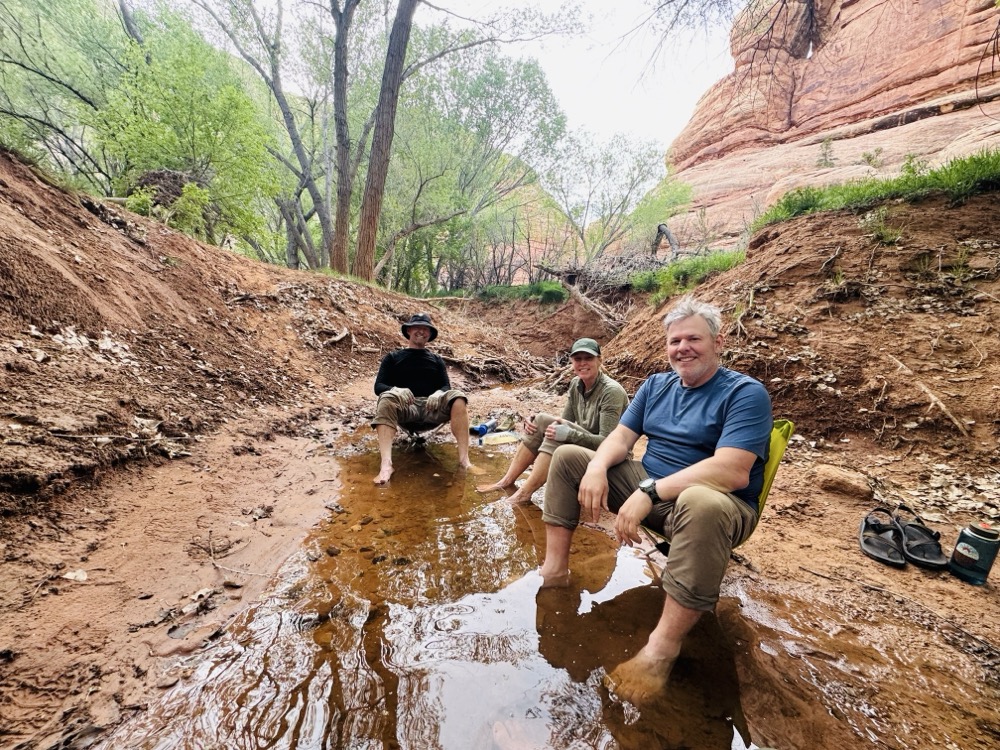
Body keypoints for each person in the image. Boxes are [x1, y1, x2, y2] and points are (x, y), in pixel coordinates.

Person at [537, 295, 773, 704]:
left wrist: (649, 491)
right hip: (652, 483)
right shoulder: (655, 385)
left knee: (704, 502)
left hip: (714, 502)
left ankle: (662, 648)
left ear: (718, 342)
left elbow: (732, 471)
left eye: (693, 339)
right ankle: (554, 573)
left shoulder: (745, 393)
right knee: (571, 457)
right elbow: (621, 439)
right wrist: (596, 468)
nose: (683, 348)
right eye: (675, 341)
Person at [475, 338, 629, 504]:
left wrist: (568, 434)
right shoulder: (576, 384)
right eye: (578, 359)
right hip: (588, 450)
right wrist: (535, 423)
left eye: (588, 358)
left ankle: (523, 494)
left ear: (599, 360)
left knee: (556, 432)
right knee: (541, 421)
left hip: (611, 460)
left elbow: (606, 443)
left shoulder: (611, 391)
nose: (583, 363)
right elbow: (562, 422)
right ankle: (506, 482)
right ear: (571, 362)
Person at [371, 312, 474, 484]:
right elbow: (378, 387)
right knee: (386, 397)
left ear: (430, 334)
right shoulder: (392, 358)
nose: (421, 331)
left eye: (425, 329)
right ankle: (386, 465)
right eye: (417, 327)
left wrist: (438, 393)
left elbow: (446, 387)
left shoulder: (436, 359)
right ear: (409, 331)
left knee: (458, 397)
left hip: (431, 408)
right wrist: (396, 390)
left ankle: (464, 460)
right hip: (405, 408)